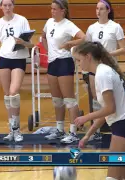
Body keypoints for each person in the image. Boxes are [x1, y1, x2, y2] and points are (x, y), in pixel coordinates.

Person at [73, 41, 125, 180]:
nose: (78, 64)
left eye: (79, 60)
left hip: (124, 128)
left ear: (88, 57)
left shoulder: (102, 74)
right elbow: (106, 112)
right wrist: (88, 135)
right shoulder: (104, 70)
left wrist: (85, 117)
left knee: (112, 177)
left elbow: (110, 108)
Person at [0, 0, 34, 142]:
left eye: (10, 5)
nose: (7, 8)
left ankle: (16, 129)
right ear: (0, 7)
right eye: (5, 5)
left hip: (19, 58)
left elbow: (30, 43)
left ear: (13, 6)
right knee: (7, 95)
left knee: (14, 92)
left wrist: (23, 43)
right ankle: (11, 129)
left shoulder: (22, 20)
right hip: (4, 59)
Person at [42, 0, 86, 144]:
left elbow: (84, 38)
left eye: (55, 9)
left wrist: (69, 44)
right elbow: (43, 37)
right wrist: (48, 51)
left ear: (63, 10)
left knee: (69, 99)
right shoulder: (49, 22)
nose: (52, 11)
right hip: (52, 62)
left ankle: (73, 131)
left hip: (64, 62)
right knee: (57, 99)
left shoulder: (68, 25)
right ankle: (60, 129)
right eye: (51, 9)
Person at [85, 0, 125, 141]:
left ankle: (115, 125)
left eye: (101, 8)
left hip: (109, 68)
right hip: (94, 68)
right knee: (96, 99)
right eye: (97, 8)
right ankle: (96, 131)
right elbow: (87, 47)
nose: (98, 11)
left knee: (110, 99)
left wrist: (108, 54)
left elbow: (124, 49)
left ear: (108, 10)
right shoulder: (91, 28)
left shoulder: (115, 27)